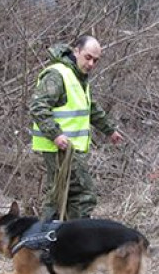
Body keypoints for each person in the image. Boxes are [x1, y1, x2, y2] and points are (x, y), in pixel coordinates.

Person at [30, 36, 124, 220]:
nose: (91, 64)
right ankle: (78, 240)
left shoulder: (77, 77)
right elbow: (38, 107)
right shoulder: (57, 75)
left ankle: (50, 240)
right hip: (60, 148)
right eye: (88, 57)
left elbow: (89, 108)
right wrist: (56, 135)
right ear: (76, 51)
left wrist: (109, 130)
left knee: (58, 197)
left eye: (95, 60)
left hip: (69, 149)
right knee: (83, 195)